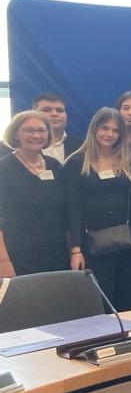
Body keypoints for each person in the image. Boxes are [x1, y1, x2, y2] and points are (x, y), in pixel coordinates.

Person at [65, 108, 131, 310]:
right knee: (100, 301)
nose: (109, 134)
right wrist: (76, 250)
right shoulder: (76, 163)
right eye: (105, 128)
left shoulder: (129, 162)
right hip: (92, 245)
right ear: (94, 129)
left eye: (115, 130)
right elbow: (73, 209)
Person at [0, 111, 68, 277]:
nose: (36, 135)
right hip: (18, 255)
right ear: (16, 133)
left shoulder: (55, 166)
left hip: (56, 254)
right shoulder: (4, 168)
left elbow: (64, 211)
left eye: (41, 130)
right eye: (28, 130)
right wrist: (3, 261)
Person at [33, 92, 81, 163]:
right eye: (47, 110)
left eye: (60, 110)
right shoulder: (21, 147)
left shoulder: (82, 146)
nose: (54, 114)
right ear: (33, 114)